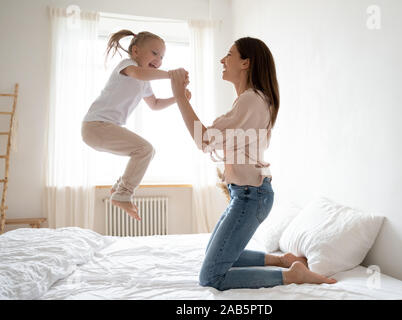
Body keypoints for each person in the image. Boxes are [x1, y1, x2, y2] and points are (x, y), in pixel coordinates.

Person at [169, 37, 337, 290]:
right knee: (213, 254)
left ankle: (292, 276)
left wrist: (180, 97)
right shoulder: (250, 100)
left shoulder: (251, 100)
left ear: (246, 63)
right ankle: (283, 260)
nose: (222, 60)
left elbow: (204, 140)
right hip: (246, 194)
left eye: (229, 54)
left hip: (251, 196)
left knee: (211, 277)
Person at [82, 29, 189, 220]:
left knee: (145, 151)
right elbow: (140, 73)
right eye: (154, 53)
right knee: (144, 150)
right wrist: (172, 75)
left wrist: (178, 97)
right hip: (95, 126)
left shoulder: (144, 81)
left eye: (162, 56)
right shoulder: (127, 66)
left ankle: (120, 189)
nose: (159, 59)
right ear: (136, 51)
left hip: (102, 128)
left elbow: (155, 105)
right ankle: (122, 193)